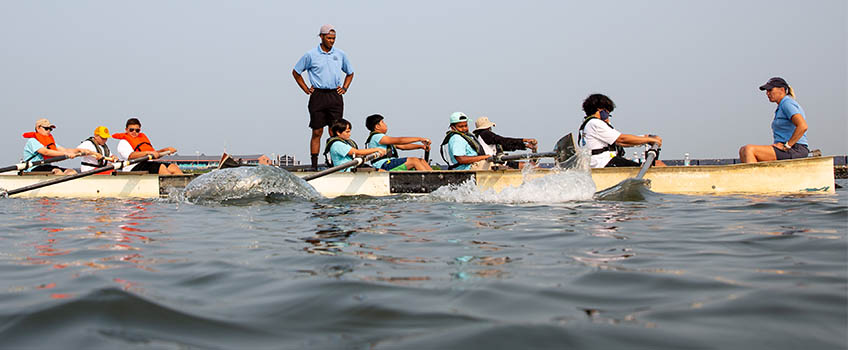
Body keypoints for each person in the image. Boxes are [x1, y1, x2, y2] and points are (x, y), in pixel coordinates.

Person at [292, 24, 355, 170]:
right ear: (321, 37)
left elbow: (350, 73)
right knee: (317, 130)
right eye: (329, 38)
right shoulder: (310, 55)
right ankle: (314, 165)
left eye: (334, 38)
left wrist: (345, 87)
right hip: (318, 95)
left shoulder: (340, 54)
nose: (332, 41)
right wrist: (306, 89)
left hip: (335, 95)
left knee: (336, 131)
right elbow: (296, 72)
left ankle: (336, 163)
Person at [578, 94, 663, 168]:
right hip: (603, 163)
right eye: (607, 113)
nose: (607, 117)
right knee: (648, 167)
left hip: (599, 162)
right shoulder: (595, 123)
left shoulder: (587, 125)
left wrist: (645, 137)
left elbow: (622, 142)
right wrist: (650, 140)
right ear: (600, 109)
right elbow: (621, 139)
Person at [739, 77, 809, 163]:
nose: (767, 93)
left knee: (749, 150)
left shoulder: (787, 103)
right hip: (787, 148)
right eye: (766, 91)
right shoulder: (781, 106)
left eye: (770, 90)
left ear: (782, 90)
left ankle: (755, 176)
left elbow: (803, 126)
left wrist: (787, 146)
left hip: (796, 149)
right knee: (742, 151)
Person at [21, 118, 97, 175]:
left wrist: (80, 150)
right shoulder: (32, 141)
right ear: (38, 128)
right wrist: (66, 155)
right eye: (46, 128)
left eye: (50, 129)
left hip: (46, 166)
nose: (49, 131)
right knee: (57, 171)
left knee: (71, 172)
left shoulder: (49, 142)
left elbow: (65, 150)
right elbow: (46, 152)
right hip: (33, 168)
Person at [111, 118, 183, 175]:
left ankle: (185, 190)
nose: (134, 132)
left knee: (173, 167)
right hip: (132, 167)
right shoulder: (123, 142)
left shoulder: (142, 140)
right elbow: (131, 156)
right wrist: (147, 153)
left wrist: (166, 150)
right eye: (131, 130)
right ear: (126, 130)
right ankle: (168, 190)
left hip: (147, 164)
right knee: (161, 167)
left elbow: (154, 154)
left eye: (137, 130)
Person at [364, 114, 433, 171]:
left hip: (390, 163)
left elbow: (403, 146)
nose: (385, 125)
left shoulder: (383, 138)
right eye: (383, 122)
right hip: (383, 165)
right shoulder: (377, 137)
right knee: (414, 161)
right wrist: (420, 139)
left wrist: (421, 146)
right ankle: (430, 181)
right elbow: (400, 140)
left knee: (421, 161)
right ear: (377, 126)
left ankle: (437, 179)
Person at [472, 116, 538, 169]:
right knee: (530, 167)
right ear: (488, 127)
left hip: (500, 161)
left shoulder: (482, 137)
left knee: (529, 166)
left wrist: (525, 145)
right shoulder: (485, 133)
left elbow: (506, 146)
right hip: (493, 163)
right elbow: (503, 140)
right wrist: (525, 140)